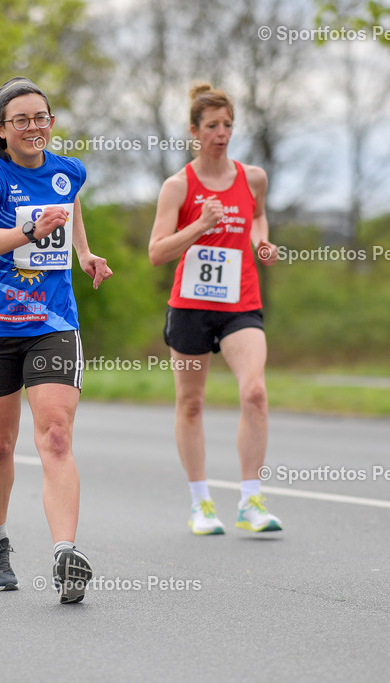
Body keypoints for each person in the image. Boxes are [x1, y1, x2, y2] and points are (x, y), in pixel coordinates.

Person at [0, 77, 112, 603]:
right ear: (1, 130)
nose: (34, 127)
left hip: (53, 324)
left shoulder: (69, 170)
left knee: (54, 435)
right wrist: (28, 233)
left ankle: (65, 553)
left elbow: (68, 209)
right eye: (21, 120)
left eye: (41, 117)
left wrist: (84, 254)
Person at [147, 83, 283, 536]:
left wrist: (260, 241)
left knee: (256, 393)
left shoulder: (253, 177)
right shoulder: (178, 186)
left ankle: (251, 500)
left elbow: (258, 216)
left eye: (228, 125)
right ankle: (201, 503)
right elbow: (156, 252)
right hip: (189, 306)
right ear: (194, 131)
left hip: (240, 303)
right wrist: (199, 225)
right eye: (212, 126)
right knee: (191, 403)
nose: (221, 134)